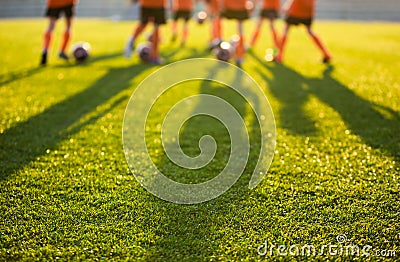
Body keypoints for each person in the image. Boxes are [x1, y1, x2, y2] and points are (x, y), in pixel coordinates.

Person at [124, 0, 167, 64]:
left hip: (150, 3)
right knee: (153, 27)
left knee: (146, 25)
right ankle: (154, 57)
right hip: (156, 4)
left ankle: (131, 40)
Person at [40, 0, 77, 66]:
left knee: (51, 26)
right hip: (68, 2)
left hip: (54, 2)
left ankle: (45, 51)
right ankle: (62, 51)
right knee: (68, 26)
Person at [220, 0, 250, 66]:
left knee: (240, 30)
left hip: (239, 6)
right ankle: (218, 42)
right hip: (231, 5)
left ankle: (239, 54)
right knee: (240, 30)